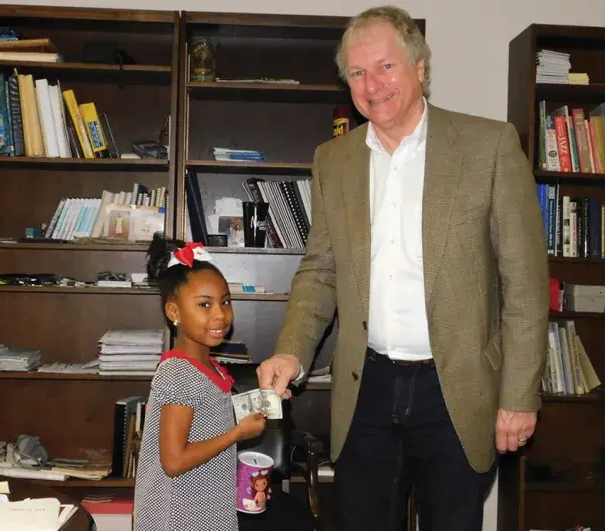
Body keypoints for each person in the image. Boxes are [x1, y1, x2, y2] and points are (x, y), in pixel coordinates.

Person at [256, 5, 549, 531]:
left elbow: (524, 285)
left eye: (386, 66)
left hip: (457, 390)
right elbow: (320, 271)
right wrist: (291, 351)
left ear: (420, 66)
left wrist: (519, 397)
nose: (373, 85)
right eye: (357, 72)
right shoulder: (332, 160)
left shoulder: (489, 146)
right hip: (365, 388)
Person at [134, 234, 267, 531]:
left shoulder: (211, 368)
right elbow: (174, 461)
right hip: (179, 519)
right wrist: (237, 434)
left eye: (225, 301)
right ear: (174, 312)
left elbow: (209, 423)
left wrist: (267, 399)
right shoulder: (179, 373)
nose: (221, 314)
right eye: (205, 304)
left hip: (207, 509)